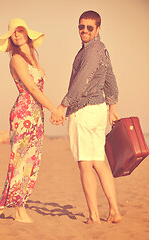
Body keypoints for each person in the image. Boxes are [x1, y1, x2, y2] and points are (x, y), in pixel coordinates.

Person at [0, 18, 64, 222]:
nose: (17, 35)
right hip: (24, 114)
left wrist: (47, 111)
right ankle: (10, 207)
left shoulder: (32, 58)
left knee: (32, 162)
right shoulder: (16, 59)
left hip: (36, 114)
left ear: (27, 33)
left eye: (20, 31)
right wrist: (54, 109)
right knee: (19, 161)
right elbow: (31, 88)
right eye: (13, 33)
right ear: (11, 38)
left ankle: (12, 205)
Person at [53, 10, 121, 224]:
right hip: (99, 111)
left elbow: (81, 81)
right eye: (81, 26)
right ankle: (114, 211)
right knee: (99, 161)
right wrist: (112, 106)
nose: (84, 30)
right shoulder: (101, 49)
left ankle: (93, 216)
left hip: (84, 111)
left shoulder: (91, 51)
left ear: (98, 29)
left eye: (89, 27)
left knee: (85, 164)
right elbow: (110, 78)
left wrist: (62, 106)